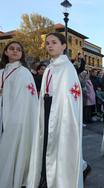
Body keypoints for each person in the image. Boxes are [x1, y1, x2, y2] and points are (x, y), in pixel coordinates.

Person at [27, 32, 84, 188]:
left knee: (58, 142)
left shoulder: (67, 68)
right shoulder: (50, 67)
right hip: (46, 108)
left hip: (60, 110)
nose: (50, 45)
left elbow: (70, 95)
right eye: (47, 43)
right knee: (46, 141)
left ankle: (56, 178)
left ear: (64, 46)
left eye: (54, 42)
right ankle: (45, 175)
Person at [0, 41, 38, 188]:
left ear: (22, 54)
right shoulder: (2, 72)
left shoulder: (24, 72)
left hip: (18, 118)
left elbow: (27, 98)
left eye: (18, 49)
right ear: (6, 52)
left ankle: (18, 176)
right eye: (11, 49)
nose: (15, 51)